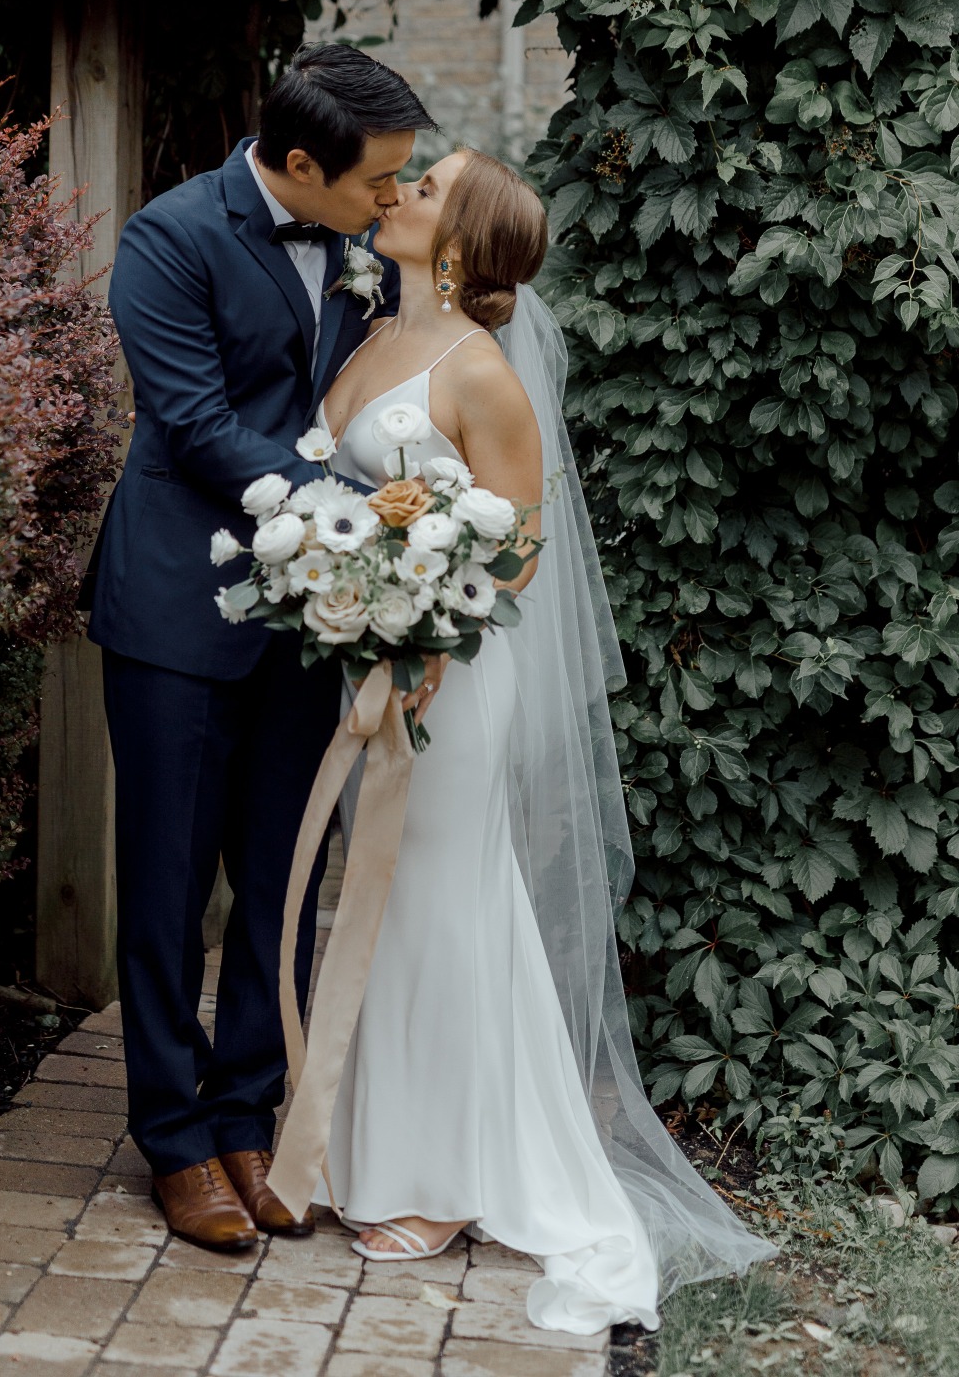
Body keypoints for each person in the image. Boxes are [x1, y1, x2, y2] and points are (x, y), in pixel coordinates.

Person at [310, 147, 774, 1331]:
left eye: (424, 188)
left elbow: (518, 547)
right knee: (380, 894)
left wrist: (423, 635)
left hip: (453, 674)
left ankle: (454, 1180)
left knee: (443, 897)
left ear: (459, 244)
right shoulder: (370, 339)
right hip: (376, 661)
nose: (397, 193)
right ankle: (371, 1150)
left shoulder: (481, 372)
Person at [80, 43, 436, 1252]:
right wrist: (353, 515)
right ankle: (173, 1140)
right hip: (183, 606)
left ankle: (247, 1114)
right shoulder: (169, 239)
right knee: (171, 888)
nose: (393, 201)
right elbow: (192, 426)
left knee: (285, 879)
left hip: (316, 620)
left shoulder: (363, 254)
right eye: (378, 183)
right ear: (298, 164)